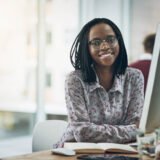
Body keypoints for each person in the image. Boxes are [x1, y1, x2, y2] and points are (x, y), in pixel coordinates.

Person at [55, 18, 144, 148]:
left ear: (118, 41)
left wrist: (97, 131)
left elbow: (136, 126)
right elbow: (82, 133)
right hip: (75, 152)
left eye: (110, 39)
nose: (105, 46)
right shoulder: (74, 80)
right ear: (87, 48)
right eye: (96, 42)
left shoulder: (134, 77)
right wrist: (129, 131)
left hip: (120, 151)